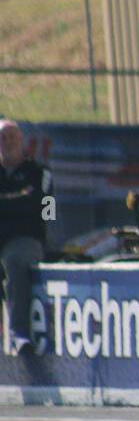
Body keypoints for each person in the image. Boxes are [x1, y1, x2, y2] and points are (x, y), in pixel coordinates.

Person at [0, 119, 53, 356]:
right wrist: (20, 199)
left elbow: (45, 207)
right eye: (3, 137)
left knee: (13, 260)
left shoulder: (40, 172)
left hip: (27, 238)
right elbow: (25, 202)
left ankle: (19, 332)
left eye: (12, 136)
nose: (7, 141)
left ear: (22, 141)